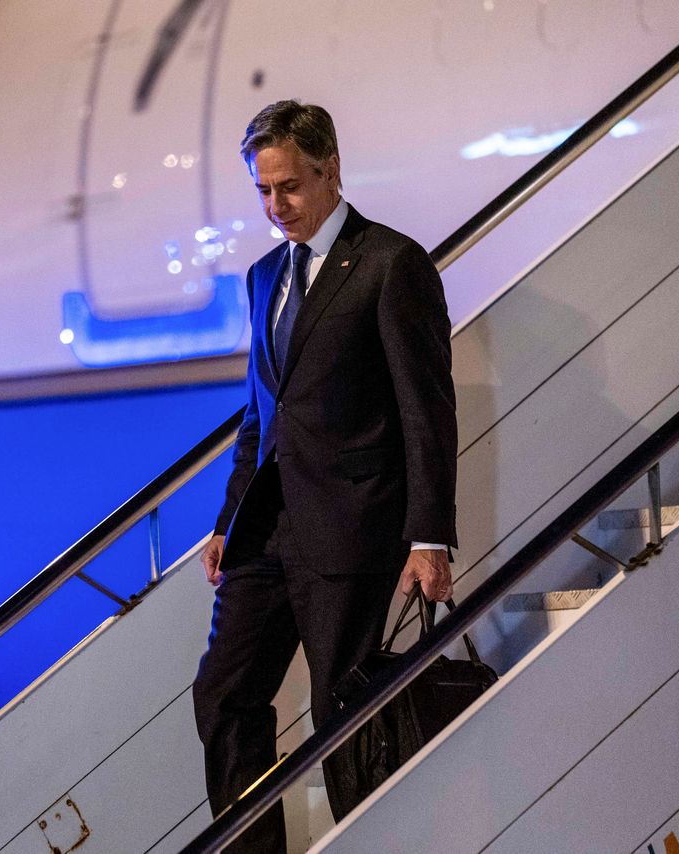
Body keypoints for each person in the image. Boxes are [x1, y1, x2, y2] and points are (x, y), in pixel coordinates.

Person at [192, 100, 458, 852]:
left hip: (353, 531)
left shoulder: (389, 263)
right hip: (267, 531)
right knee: (224, 694)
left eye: (291, 188)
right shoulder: (262, 276)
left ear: (331, 170)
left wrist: (429, 536)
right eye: (263, 191)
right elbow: (259, 415)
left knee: (343, 715)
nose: (276, 207)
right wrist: (227, 517)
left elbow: (425, 410)